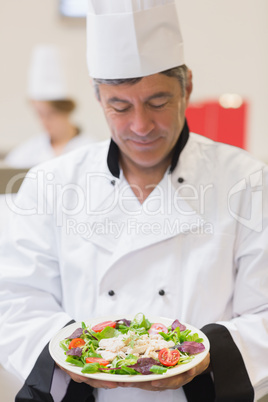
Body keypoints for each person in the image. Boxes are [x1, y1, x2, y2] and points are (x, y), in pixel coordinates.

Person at [0, 1, 267, 402]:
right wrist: (79, 354)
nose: (141, 126)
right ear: (98, 97)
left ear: (187, 86)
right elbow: (15, 299)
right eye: (120, 106)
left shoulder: (247, 181)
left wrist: (203, 357)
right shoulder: (50, 182)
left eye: (158, 102)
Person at [5, 44, 95, 168]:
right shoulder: (25, 153)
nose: (45, 121)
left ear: (66, 110)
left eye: (51, 113)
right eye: (39, 114)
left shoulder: (90, 150)